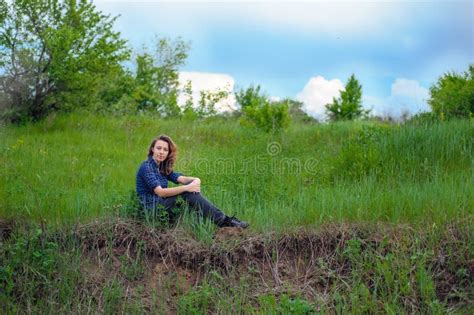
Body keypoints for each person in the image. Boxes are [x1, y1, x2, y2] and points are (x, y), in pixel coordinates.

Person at [136, 134, 248, 229]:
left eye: (165, 150)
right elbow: (160, 192)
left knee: (191, 195)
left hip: (162, 206)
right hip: (151, 210)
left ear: (168, 153)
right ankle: (225, 221)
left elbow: (182, 179)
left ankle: (219, 223)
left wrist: (196, 180)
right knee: (187, 192)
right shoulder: (147, 167)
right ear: (152, 149)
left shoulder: (162, 167)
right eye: (158, 148)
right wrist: (187, 188)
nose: (161, 152)